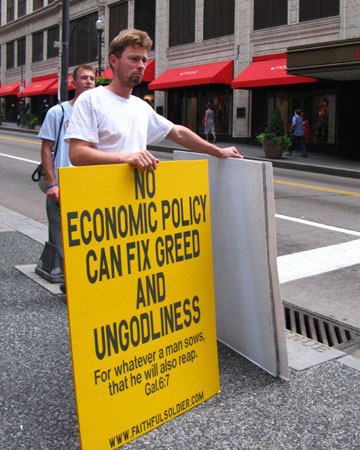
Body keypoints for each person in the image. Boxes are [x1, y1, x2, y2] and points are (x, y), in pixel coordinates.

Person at [65, 29, 242, 173]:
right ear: (114, 61)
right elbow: (77, 153)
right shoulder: (91, 99)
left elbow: (177, 132)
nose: (141, 65)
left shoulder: (141, 107)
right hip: (100, 203)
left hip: (134, 202)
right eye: (134, 59)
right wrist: (126, 158)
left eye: (144, 60)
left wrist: (218, 152)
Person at [38, 64, 96, 293]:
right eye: (84, 77)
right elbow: (46, 150)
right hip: (63, 187)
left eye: (92, 78)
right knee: (63, 240)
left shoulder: (97, 113)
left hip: (89, 187)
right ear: (74, 82)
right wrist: (52, 183)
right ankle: (73, 287)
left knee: (88, 239)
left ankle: (77, 283)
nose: (89, 81)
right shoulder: (59, 112)